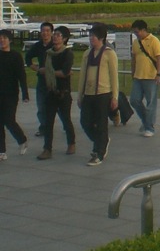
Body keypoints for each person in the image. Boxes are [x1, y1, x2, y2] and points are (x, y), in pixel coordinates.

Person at [77, 23, 118, 166]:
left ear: (101, 38)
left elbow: (114, 76)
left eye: (93, 36)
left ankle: (99, 152)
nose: (91, 38)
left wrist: (115, 97)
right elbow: (82, 75)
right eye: (90, 36)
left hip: (103, 93)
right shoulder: (87, 54)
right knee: (85, 122)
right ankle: (102, 141)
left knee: (101, 124)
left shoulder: (109, 53)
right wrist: (80, 94)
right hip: (88, 94)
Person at [37, 26, 75, 160]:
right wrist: (48, 72)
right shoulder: (48, 53)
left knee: (66, 120)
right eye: (55, 34)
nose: (55, 37)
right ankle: (47, 148)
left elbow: (65, 72)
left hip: (63, 92)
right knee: (48, 122)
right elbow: (42, 68)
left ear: (64, 38)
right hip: (51, 91)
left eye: (58, 35)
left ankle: (71, 143)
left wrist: (48, 72)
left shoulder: (68, 53)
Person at [0, 29, 30, 161]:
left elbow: (21, 76)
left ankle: (22, 139)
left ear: (10, 40)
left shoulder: (16, 56)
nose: (2, 40)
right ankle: (1, 151)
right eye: (0, 38)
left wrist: (25, 93)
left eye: (5, 38)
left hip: (11, 94)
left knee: (9, 119)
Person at [130, 19, 160, 134]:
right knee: (134, 100)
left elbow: (159, 58)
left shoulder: (154, 41)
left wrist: (158, 74)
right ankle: (146, 121)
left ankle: (149, 127)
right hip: (138, 77)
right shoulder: (135, 42)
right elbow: (134, 58)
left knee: (151, 103)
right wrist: (133, 72)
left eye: (137, 32)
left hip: (151, 77)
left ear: (144, 30)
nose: (136, 34)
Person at [24, 22, 53, 138]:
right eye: (43, 31)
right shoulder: (38, 45)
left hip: (53, 81)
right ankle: (44, 127)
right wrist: (35, 68)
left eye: (47, 31)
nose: (45, 33)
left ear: (51, 32)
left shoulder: (55, 45)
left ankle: (66, 127)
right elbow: (28, 57)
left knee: (58, 109)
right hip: (41, 80)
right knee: (41, 107)